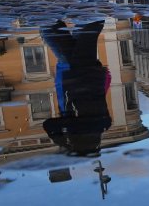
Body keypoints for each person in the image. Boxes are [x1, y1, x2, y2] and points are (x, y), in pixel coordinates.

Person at [40, 19, 111, 156]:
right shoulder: (76, 127)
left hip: (91, 74)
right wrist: (63, 143)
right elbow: (48, 125)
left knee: (84, 34)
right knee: (52, 31)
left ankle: (90, 15)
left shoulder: (103, 124)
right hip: (73, 73)